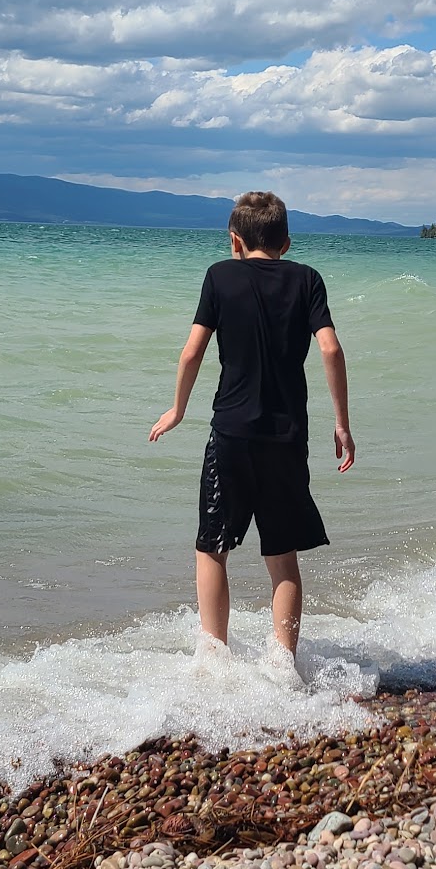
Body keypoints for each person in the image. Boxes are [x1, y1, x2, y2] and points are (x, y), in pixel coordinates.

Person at [148, 190, 354, 659]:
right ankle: (284, 663)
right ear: (286, 241)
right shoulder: (308, 280)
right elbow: (331, 350)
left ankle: (213, 659)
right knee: (282, 557)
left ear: (234, 240)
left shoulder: (220, 276)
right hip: (286, 437)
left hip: (232, 434)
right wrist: (341, 424)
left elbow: (192, 351)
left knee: (211, 548)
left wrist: (177, 409)